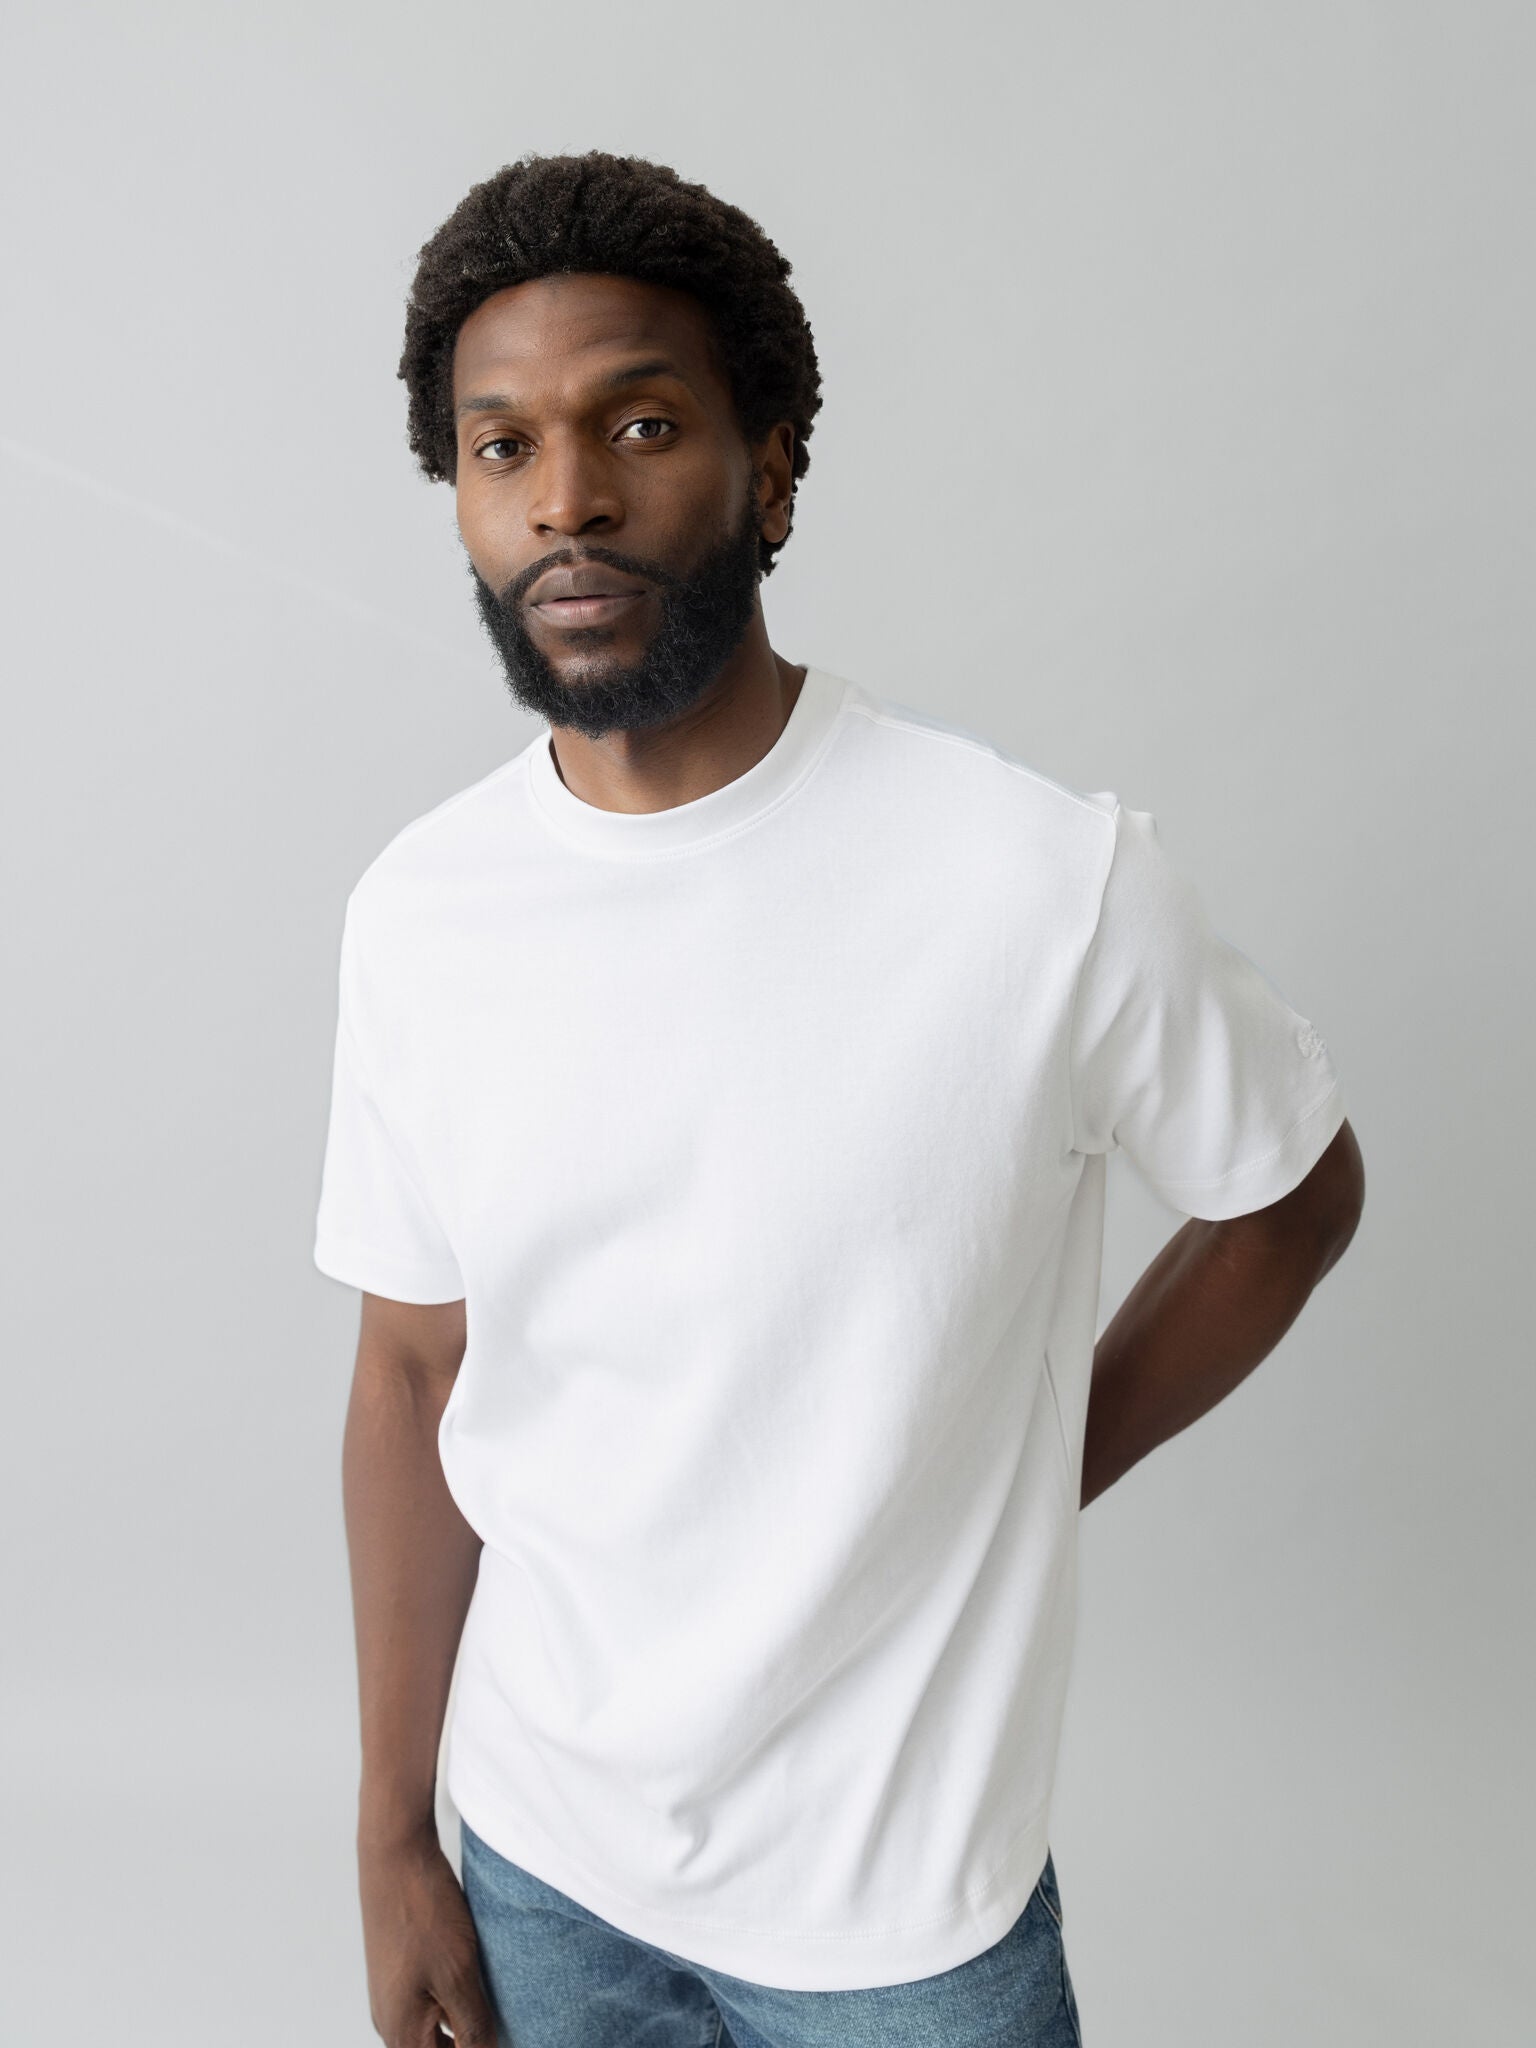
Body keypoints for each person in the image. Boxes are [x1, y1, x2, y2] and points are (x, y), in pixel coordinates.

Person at [312, 149, 1365, 2048]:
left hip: (905, 1912)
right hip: (543, 1860)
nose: (567, 498)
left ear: (773, 470)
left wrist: (1036, 1460)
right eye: (500, 446)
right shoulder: (421, 912)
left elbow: (1291, 1194)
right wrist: (394, 1830)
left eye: (642, 424)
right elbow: (410, 1371)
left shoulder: (1039, 883)